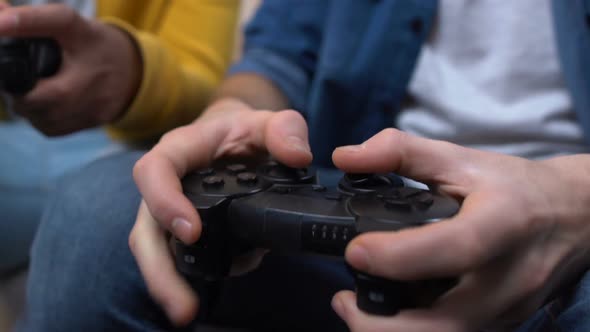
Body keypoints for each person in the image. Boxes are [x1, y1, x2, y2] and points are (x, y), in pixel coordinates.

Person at [17, 0, 590, 331]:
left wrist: (569, 198)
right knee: (94, 215)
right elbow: (277, 58)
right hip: (348, 187)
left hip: (571, 207)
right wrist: (236, 111)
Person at [0, 0, 238, 274]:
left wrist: (136, 75)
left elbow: (207, 89)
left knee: (89, 204)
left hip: (131, 141)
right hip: (15, 137)